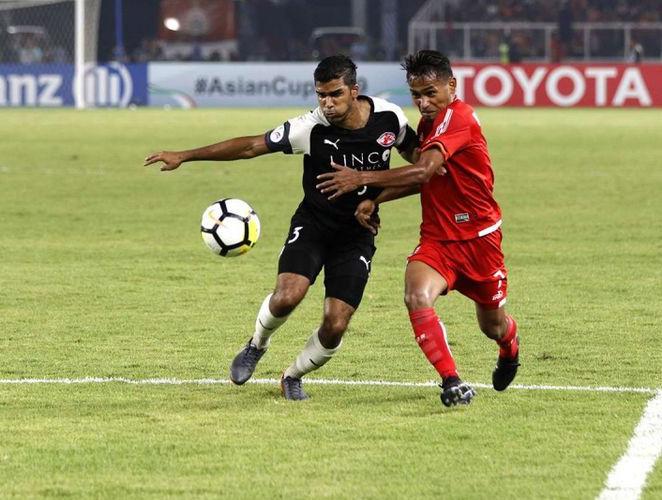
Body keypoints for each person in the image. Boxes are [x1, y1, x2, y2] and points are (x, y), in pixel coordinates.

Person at [143, 55, 418, 400]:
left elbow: (420, 170)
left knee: (335, 324)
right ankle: (257, 345)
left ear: (354, 90)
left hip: (357, 236)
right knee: (288, 296)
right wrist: (186, 155)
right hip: (314, 224)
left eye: (335, 94)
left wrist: (376, 199)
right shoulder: (311, 127)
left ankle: (293, 374)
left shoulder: (389, 118)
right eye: (321, 95)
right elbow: (251, 146)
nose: (327, 104)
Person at [316, 50, 520, 407]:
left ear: (451, 85)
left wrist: (360, 180)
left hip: (480, 240)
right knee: (416, 295)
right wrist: (376, 199)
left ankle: (509, 348)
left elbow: (423, 171)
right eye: (416, 95)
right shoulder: (429, 124)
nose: (423, 102)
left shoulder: (460, 119)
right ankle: (451, 381)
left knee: (493, 327)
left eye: (430, 92)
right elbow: (427, 180)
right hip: (438, 239)